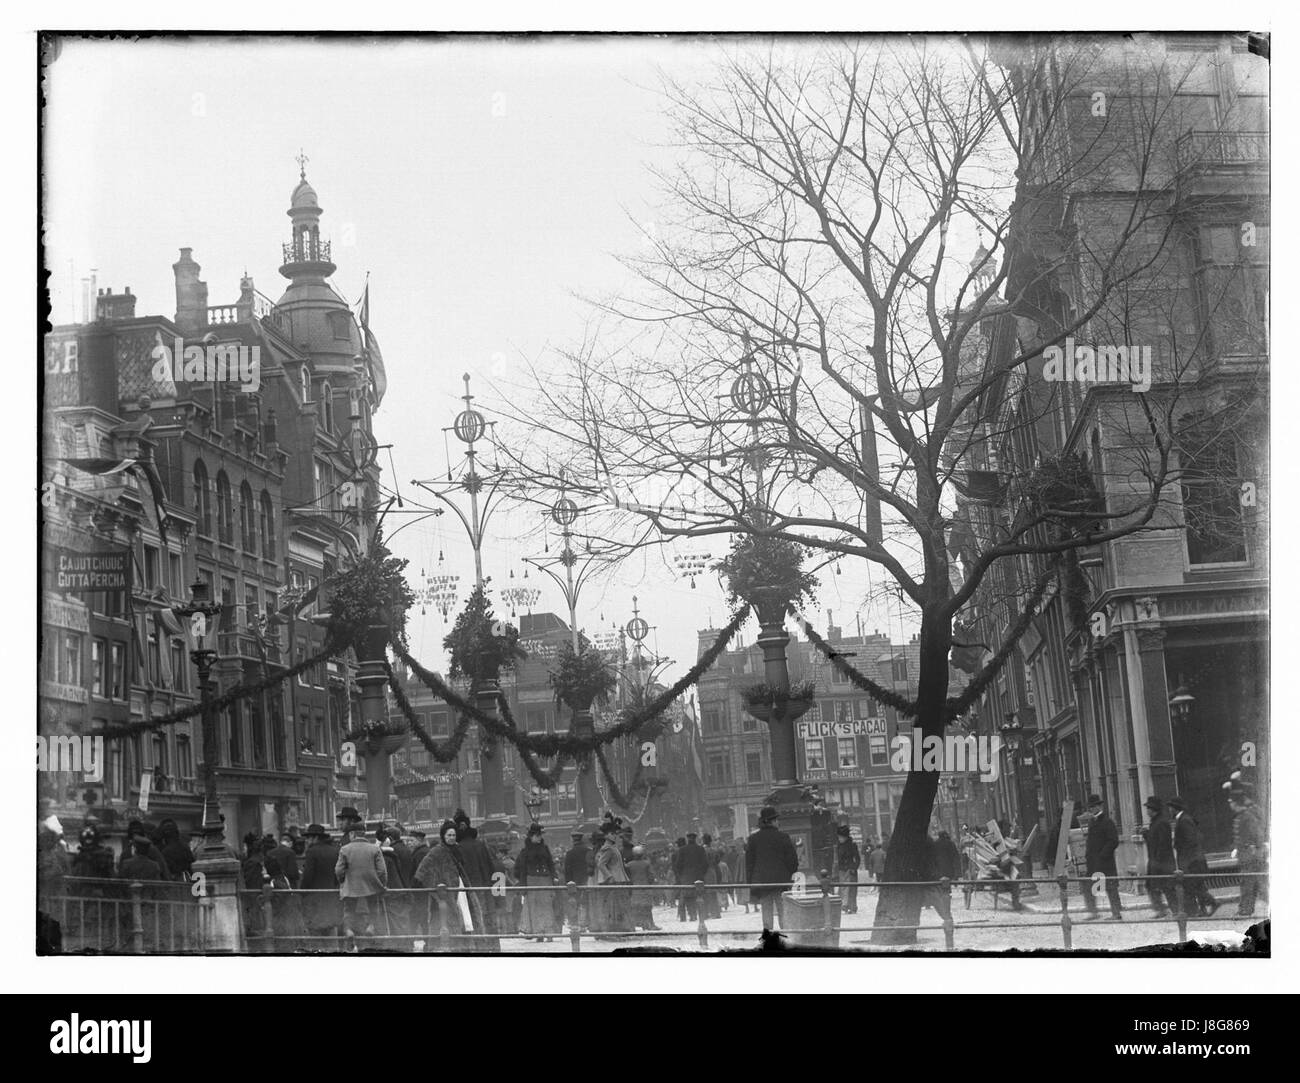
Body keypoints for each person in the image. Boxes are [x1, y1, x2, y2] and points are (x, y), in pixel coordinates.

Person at [413, 820, 483, 949]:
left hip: (459, 888)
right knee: (442, 920)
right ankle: (441, 947)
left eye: (453, 835)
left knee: (463, 917)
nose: (451, 838)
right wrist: (436, 885)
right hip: (445, 892)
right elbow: (422, 871)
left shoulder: (457, 850)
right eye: (449, 835)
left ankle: (463, 945)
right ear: (443, 836)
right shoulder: (437, 851)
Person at [334, 818, 387, 946]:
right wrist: (381, 884)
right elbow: (382, 871)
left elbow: (338, 870)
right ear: (364, 834)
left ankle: (349, 930)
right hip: (372, 887)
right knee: (374, 908)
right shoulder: (374, 849)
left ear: (352, 834)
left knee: (349, 911)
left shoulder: (345, 849)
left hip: (352, 887)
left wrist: (343, 881)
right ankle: (371, 926)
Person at [745, 805, 799, 931]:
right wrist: (789, 874)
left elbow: (749, 863)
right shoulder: (783, 837)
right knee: (783, 909)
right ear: (772, 821)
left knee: (766, 910)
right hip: (781, 880)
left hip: (763, 881)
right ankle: (786, 934)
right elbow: (792, 861)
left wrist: (751, 882)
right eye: (776, 820)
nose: (777, 822)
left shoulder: (753, 839)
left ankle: (768, 936)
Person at [454, 816, 500, 951]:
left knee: (473, 919)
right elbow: (492, 869)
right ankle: (494, 947)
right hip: (485, 889)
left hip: (468, 891)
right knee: (489, 918)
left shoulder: (458, 848)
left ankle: (477, 948)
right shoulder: (481, 845)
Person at [1169, 795, 1217, 917]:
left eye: (1170, 807)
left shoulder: (1184, 820)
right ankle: (1202, 909)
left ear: (1175, 808)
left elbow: (1191, 841)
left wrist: (1184, 858)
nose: (1169, 810)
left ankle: (1212, 903)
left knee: (1193, 886)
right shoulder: (1184, 819)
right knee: (1196, 885)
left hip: (1192, 861)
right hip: (1193, 860)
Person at [298, 823, 342, 946]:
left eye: (309, 838)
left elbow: (308, 876)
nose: (307, 841)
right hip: (331, 897)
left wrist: (302, 892)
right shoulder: (335, 851)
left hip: (315, 899)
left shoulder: (312, 852)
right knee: (331, 934)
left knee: (316, 936)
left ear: (315, 838)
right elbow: (338, 875)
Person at [1082, 793, 1123, 921]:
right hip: (1094, 863)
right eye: (1090, 807)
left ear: (1100, 806)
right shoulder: (1092, 822)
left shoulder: (1107, 822)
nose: (1092, 809)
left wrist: (1103, 855)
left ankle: (1116, 913)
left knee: (1111, 887)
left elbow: (1113, 841)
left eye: (1094, 806)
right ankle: (1093, 912)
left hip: (1105, 862)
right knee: (1089, 886)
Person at [516, 824, 559, 941]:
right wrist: (523, 886)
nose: (539, 838)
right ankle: (539, 933)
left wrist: (554, 876)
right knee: (534, 908)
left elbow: (550, 864)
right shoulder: (525, 851)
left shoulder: (545, 848)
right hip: (532, 881)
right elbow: (521, 870)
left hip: (545, 880)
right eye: (537, 835)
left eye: (540, 835)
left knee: (547, 906)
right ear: (531, 836)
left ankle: (549, 933)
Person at [1228, 785, 1265, 918]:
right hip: (1245, 855)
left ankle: (1245, 910)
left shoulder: (1247, 816)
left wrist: (1253, 848)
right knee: (1252, 883)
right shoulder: (1241, 816)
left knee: (1249, 883)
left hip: (1250, 856)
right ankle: (1246, 908)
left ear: (1236, 803)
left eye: (1231, 802)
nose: (1230, 804)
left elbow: (1256, 835)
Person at [1140, 796, 1177, 917]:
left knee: (1168, 888)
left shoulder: (1161, 823)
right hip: (1155, 861)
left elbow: (1163, 844)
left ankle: (1175, 911)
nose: (1147, 811)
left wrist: (1157, 863)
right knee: (1151, 886)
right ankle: (1161, 909)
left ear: (1153, 809)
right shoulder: (1155, 822)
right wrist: (1146, 834)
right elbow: (1153, 840)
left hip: (1162, 862)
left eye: (1148, 808)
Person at [594, 821, 631, 936]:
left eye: (615, 833)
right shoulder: (608, 848)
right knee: (613, 906)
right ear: (607, 835)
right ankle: (614, 930)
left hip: (619, 879)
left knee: (618, 905)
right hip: (614, 880)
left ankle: (619, 929)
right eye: (613, 833)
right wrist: (609, 876)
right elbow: (601, 864)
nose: (615, 835)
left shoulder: (612, 847)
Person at [677, 831, 711, 921]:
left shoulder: (682, 850)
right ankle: (702, 914)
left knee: (689, 897)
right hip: (698, 876)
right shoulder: (700, 849)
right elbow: (706, 864)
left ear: (688, 839)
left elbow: (678, 865)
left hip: (686, 877)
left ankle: (692, 914)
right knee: (700, 895)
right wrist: (702, 873)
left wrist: (682, 875)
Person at [563, 829, 591, 932]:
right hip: (587, 879)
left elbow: (567, 870)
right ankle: (585, 924)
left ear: (573, 840)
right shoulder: (588, 851)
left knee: (575, 903)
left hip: (574, 882)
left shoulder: (570, 853)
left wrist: (568, 882)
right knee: (586, 902)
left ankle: (575, 924)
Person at [625, 845, 659, 930]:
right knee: (647, 907)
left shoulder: (629, 865)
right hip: (645, 888)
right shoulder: (647, 864)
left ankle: (634, 925)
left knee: (635, 907)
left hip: (634, 889)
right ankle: (649, 924)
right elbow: (651, 876)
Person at [834, 825, 861, 914]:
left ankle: (852, 907)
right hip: (842, 870)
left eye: (841, 837)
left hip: (850, 870)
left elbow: (857, 858)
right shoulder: (838, 846)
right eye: (839, 837)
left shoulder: (852, 845)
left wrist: (854, 867)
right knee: (843, 889)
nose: (839, 839)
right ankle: (844, 906)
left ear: (845, 837)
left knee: (851, 889)